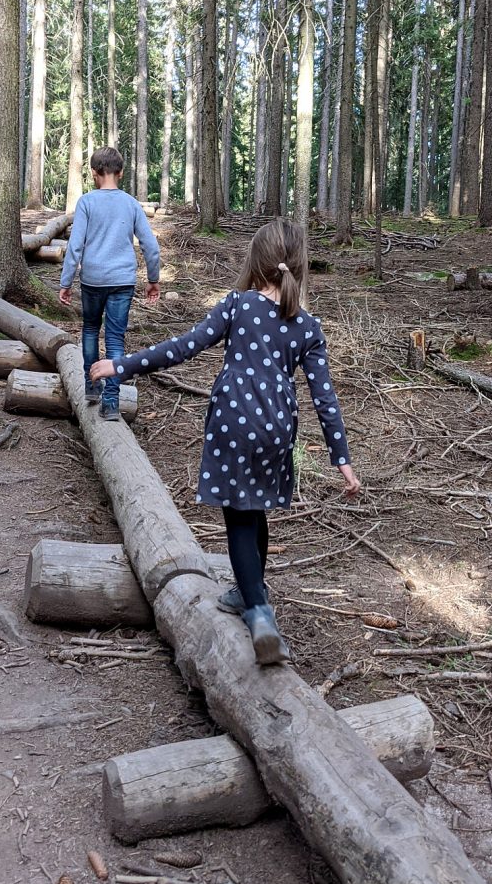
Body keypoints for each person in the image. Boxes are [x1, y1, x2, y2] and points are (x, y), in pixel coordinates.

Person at [91, 217, 359, 665]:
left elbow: (185, 346)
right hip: (277, 429)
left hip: (233, 424)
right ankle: (247, 591)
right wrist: (341, 458)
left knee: (238, 516)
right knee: (256, 510)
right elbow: (324, 397)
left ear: (256, 263)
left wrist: (122, 366)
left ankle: (259, 614)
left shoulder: (238, 305)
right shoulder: (307, 326)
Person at [59, 147, 161, 420]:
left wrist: (66, 281)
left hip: (92, 280)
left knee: (91, 328)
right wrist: (153, 280)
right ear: (121, 172)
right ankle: (112, 401)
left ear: (94, 172)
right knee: (116, 338)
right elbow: (150, 246)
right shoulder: (131, 204)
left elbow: (75, 246)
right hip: (122, 281)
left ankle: (92, 385)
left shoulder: (87, 202)